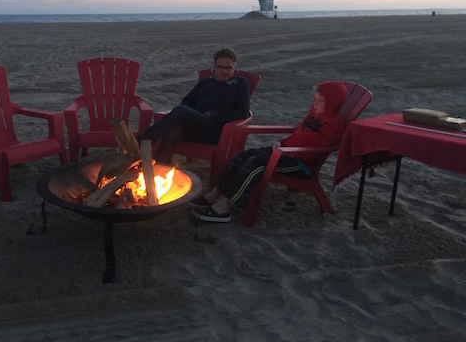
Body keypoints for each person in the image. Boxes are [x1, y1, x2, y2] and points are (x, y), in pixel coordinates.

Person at [190, 81, 347, 222]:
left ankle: (224, 207)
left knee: (255, 165)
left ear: (333, 103)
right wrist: (282, 143)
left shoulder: (335, 125)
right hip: (284, 151)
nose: (315, 104)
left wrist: (292, 152)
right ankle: (215, 194)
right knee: (241, 156)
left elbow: (320, 151)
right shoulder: (315, 114)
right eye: (315, 99)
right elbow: (298, 133)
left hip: (301, 164)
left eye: (320, 101)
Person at [138, 48, 250, 164]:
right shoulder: (206, 82)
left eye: (228, 68)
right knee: (172, 132)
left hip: (217, 130)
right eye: (220, 67)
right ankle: (160, 170)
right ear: (214, 65)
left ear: (234, 67)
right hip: (196, 126)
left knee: (181, 111)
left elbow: (243, 112)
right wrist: (191, 117)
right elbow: (187, 100)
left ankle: (140, 144)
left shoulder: (240, 83)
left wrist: (215, 115)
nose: (224, 71)